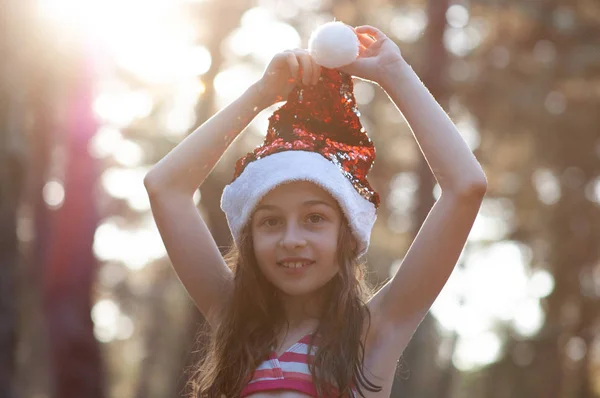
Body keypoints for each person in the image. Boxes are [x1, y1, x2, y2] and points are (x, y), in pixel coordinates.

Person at [144, 24, 487, 398]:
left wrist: (395, 75)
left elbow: (465, 187)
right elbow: (165, 188)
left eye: (315, 218)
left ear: (348, 232)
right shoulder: (233, 320)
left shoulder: (372, 334)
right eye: (271, 221)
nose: (292, 239)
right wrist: (259, 96)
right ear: (249, 237)